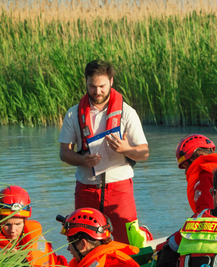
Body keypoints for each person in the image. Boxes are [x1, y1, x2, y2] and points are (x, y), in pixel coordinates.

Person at [59, 60, 151, 248]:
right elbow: (64, 153)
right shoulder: (73, 114)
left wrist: (126, 149)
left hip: (120, 189)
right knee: (83, 244)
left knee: (127, 245)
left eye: (102, 86)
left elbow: (144, 153)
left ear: (111, 81)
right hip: (86, 189)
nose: (97, 91)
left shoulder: (127, 113)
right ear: (86, 82)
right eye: (92, 86)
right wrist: (82, 159)